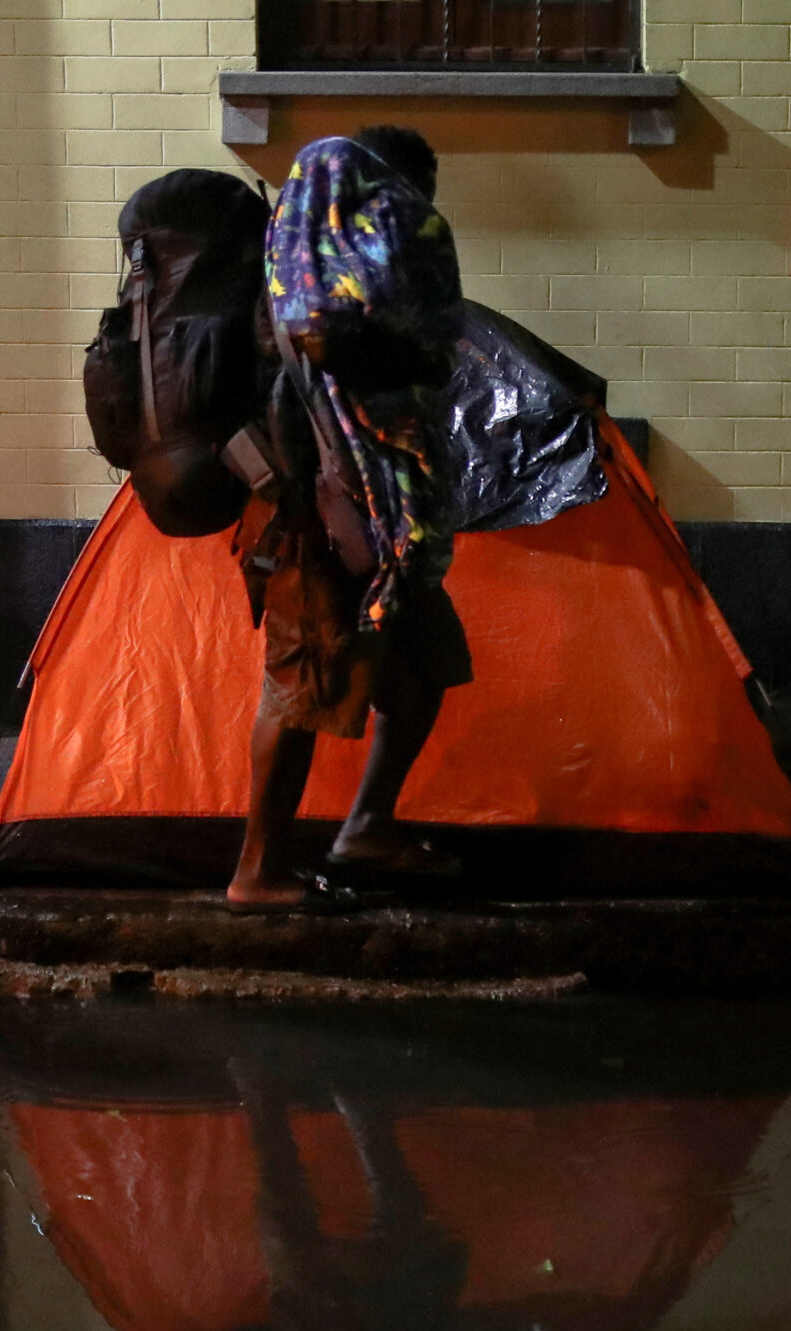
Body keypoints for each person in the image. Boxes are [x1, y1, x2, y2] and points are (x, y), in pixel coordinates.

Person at [231, 126, 470, 911]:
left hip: (390, 527)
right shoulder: (300, 280)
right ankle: (257, 872)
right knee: (304, 684)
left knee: (427, 661)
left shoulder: (346, 279)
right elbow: (326, 360)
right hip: (317, 517)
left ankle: (366, 826)